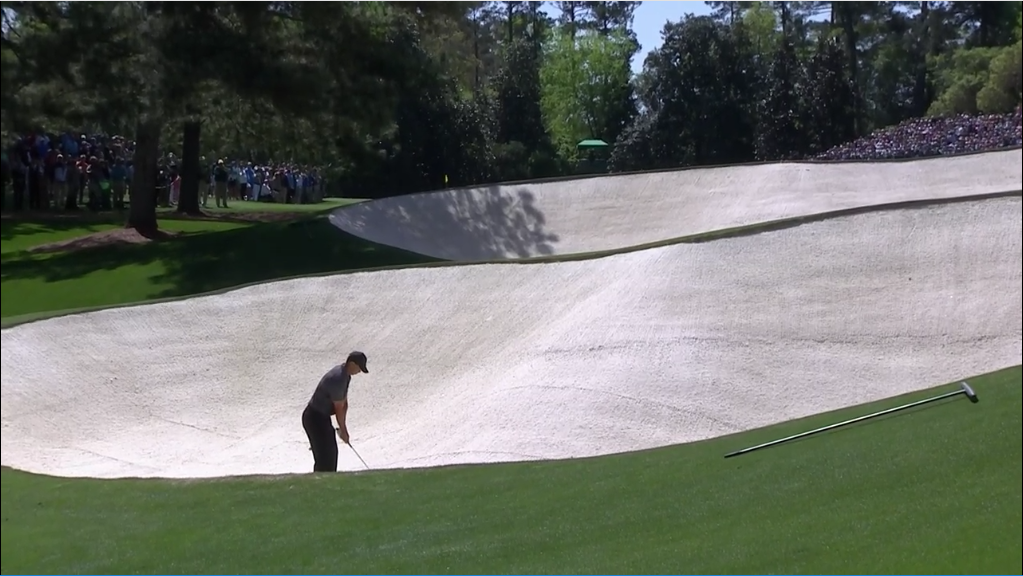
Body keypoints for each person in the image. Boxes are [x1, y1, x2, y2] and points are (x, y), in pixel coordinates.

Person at [302, 351, 369, 472]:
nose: (359, 371)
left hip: (321, 418)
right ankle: (319, 485)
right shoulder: (338, 379)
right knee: (325, 458)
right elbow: (338, 409)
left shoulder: (346, 375)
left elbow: (344, 403)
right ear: (352, 363)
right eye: (359, 367)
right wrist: (343, 431)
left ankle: (326, 483)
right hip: (314, 418)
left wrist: (343, 431)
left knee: (331, 454)